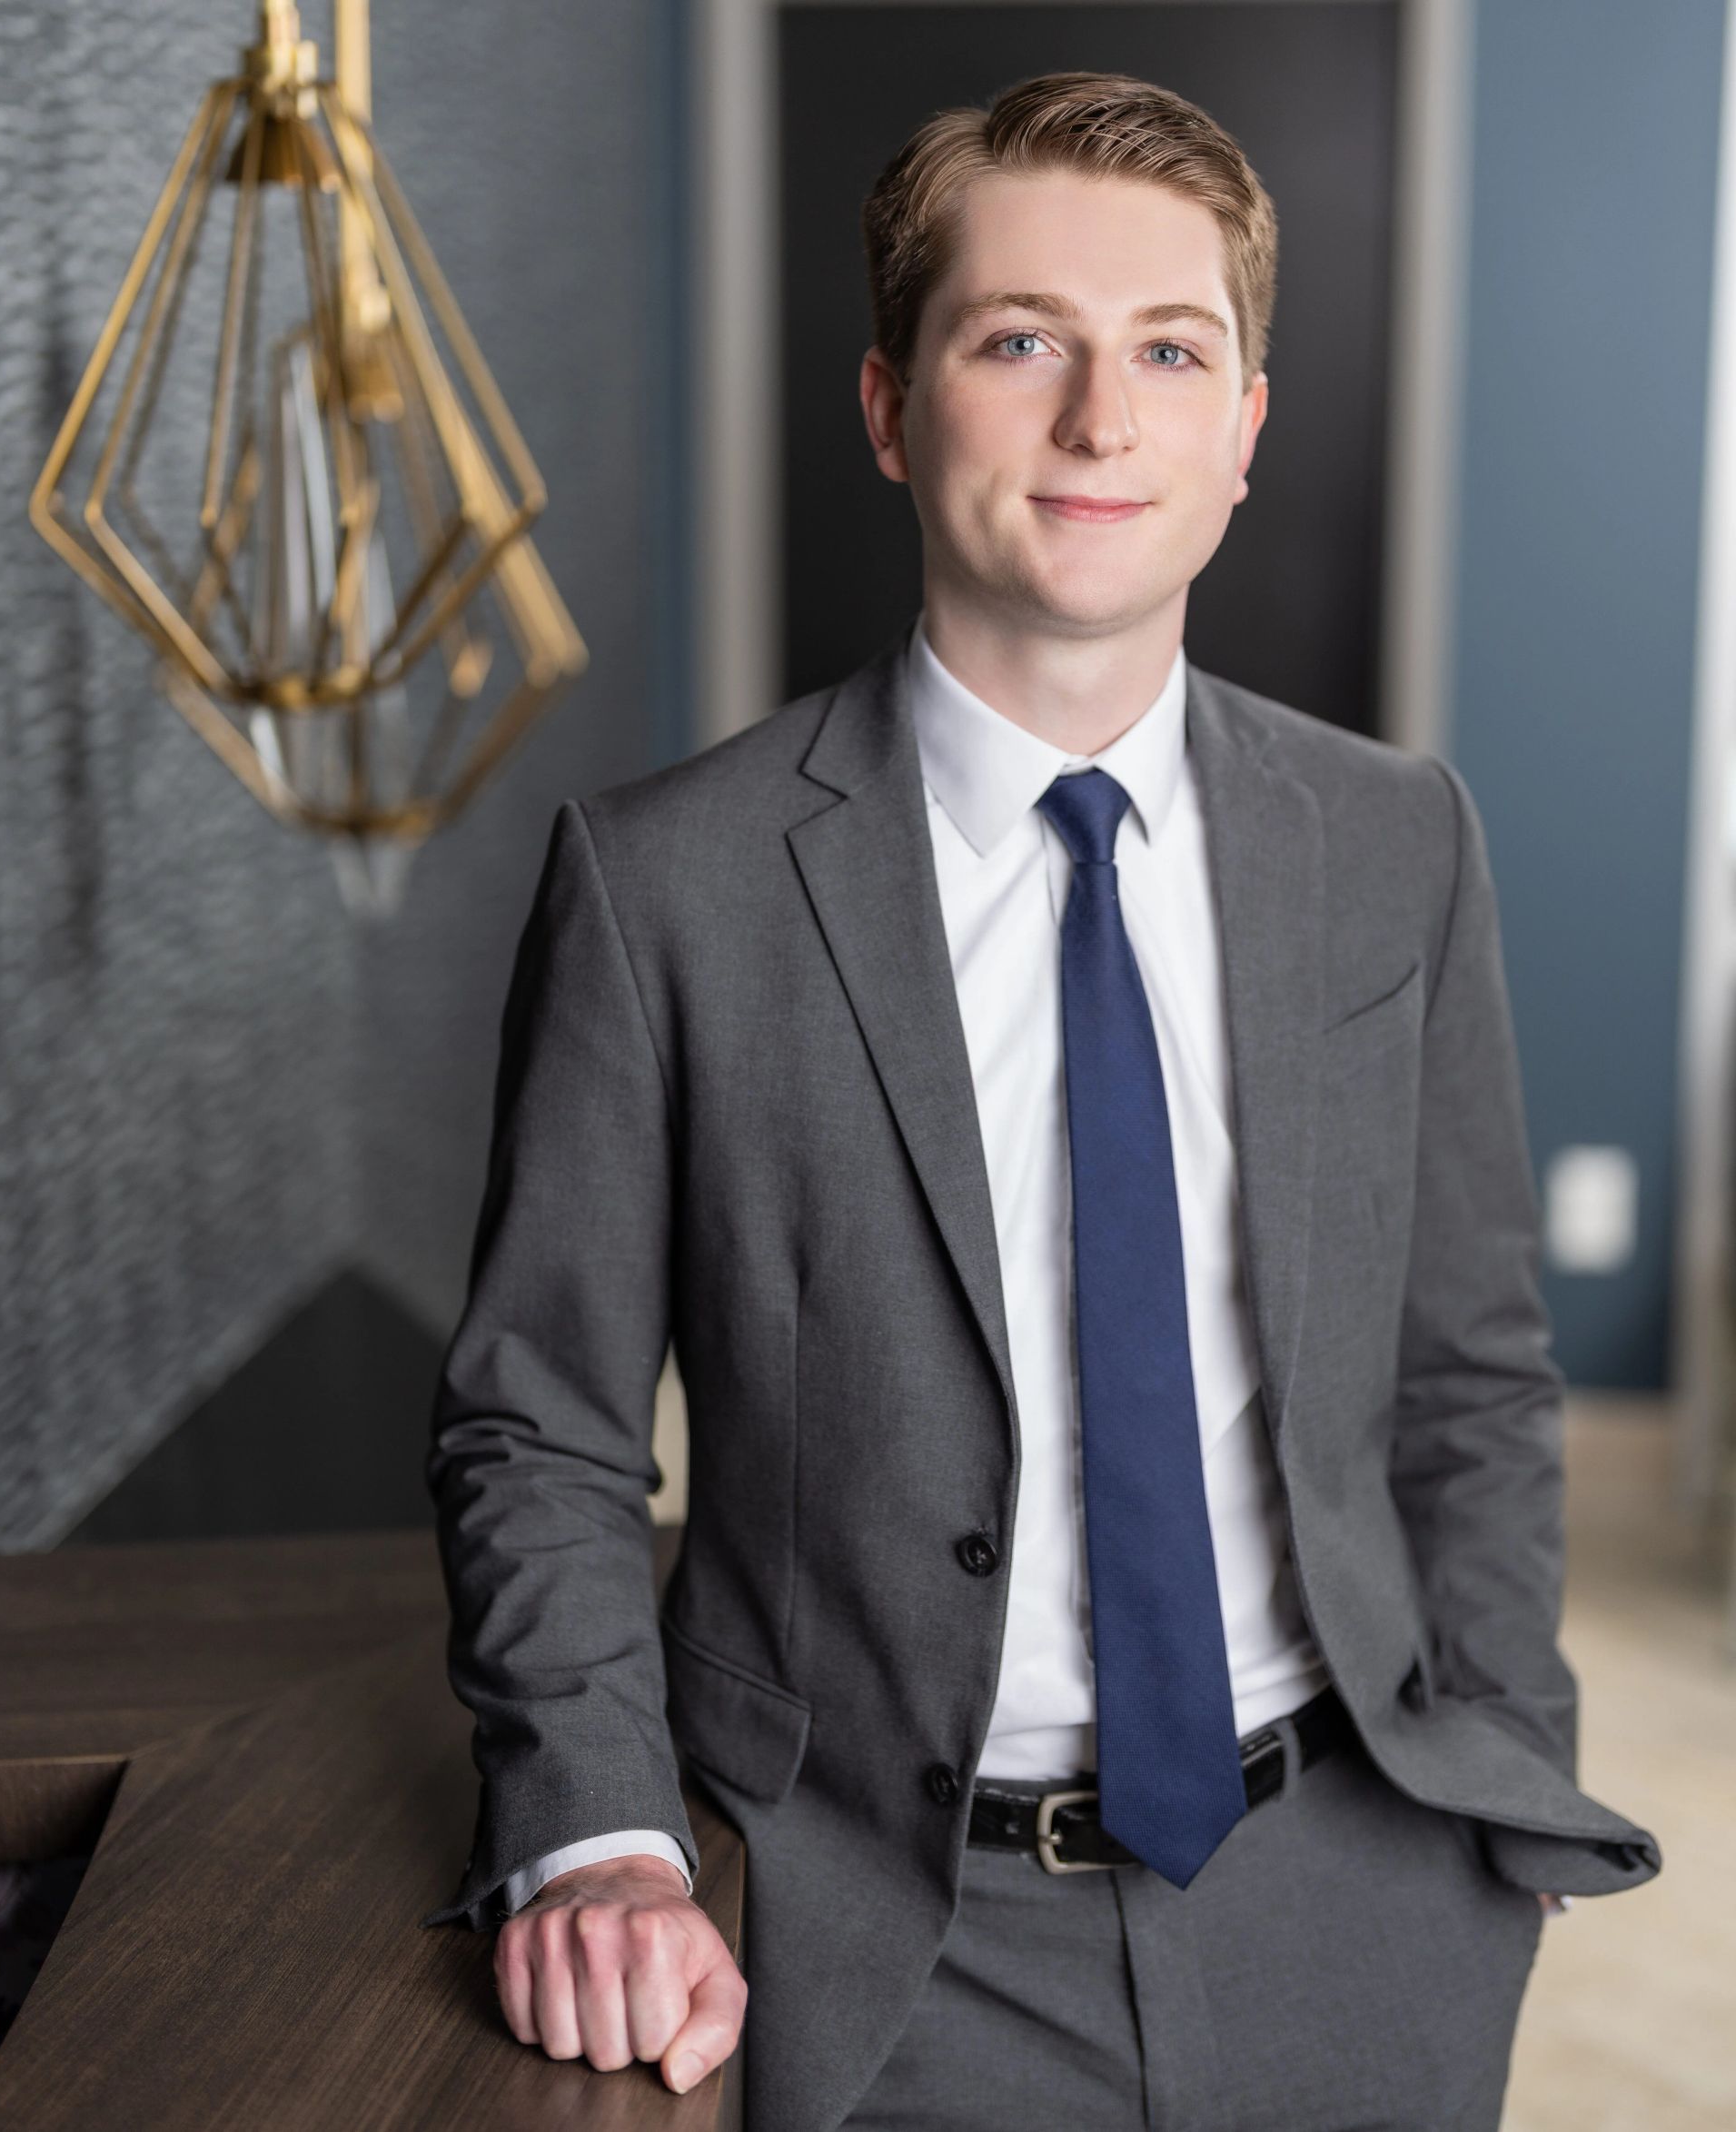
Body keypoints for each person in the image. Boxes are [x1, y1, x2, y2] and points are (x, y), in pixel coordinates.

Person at [422, 69, 1662, 2132]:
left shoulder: (1398, 842)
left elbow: (1469, 1372)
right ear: (894, 408)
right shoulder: (666, 889)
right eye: (1022, 343)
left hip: (1361, 1905)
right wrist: (603, 1837)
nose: (1105, 421)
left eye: (1171, 353)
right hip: (872, 1943)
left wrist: (1496, 1789)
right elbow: (536, 1425)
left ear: (1245, 428)